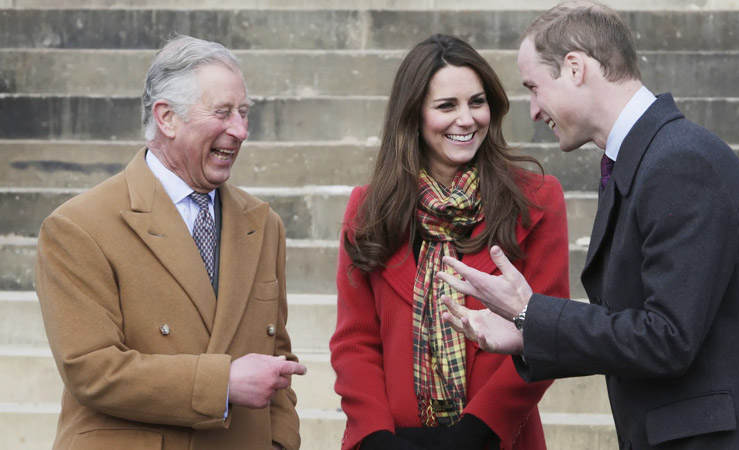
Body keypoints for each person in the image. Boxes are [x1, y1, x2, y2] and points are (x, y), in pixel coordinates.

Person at [438, 2, 739, 449]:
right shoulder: (645, 158)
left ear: (574, 68)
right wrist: (529, 334)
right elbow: (636, 328)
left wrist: (533, 313)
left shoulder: (682, 161)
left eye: (534, 87)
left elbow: (666, 339)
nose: (532, 109)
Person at [35, 35, 306, 450]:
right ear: (167, 118)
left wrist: (282, 443)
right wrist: (224, 383)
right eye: (223, 113)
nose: (241, 130)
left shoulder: (264, 225)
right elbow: (92, 370)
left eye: (244, 113)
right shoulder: (78, 226)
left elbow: (278, 361)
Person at [328, 34, 570, 450]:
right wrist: (375, 438)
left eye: (477, 102)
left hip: (494, 438)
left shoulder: (538, 200)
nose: (467, 119)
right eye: (446, 106)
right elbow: (355, 342)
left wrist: (477, 432)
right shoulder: (368, 209)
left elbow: (547, 334)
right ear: (414, 116)